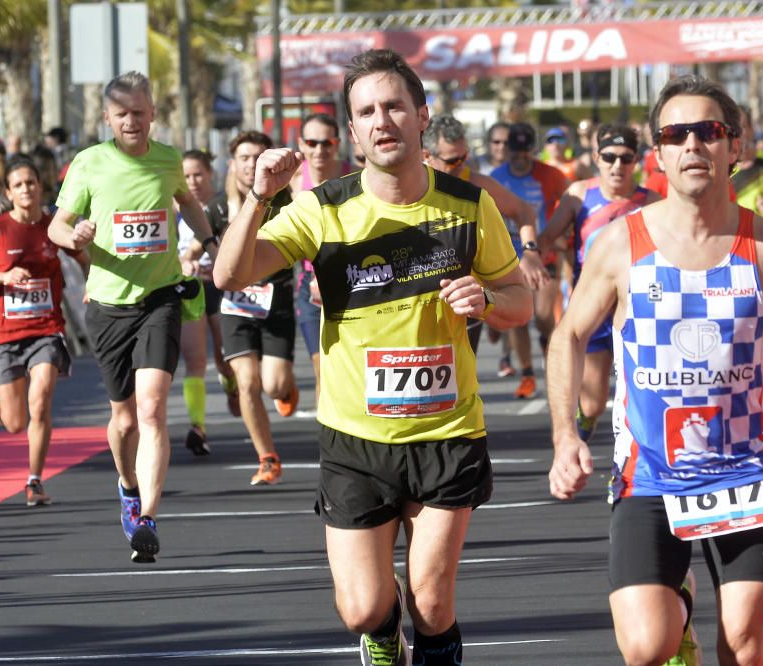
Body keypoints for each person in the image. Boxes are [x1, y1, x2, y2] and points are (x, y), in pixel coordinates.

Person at [213, 48, 532, 666]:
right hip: (357, 436)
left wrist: (488, 298)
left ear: (420, 116)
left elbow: (520, 301)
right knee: (362, 608)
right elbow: (230, 274)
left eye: (394, 106)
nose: (382, 120)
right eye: (367, 111)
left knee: (434, 601)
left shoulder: (470, 207)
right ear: (353, 131)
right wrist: (259, 197)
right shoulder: (322, 207)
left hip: (447, 429)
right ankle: (382, 634)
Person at [547, 75, 763, 666]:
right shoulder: (618, 244)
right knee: (646, 648)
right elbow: (570, 334)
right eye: (675, 133)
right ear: (658, 153)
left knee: (744, 644)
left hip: (741, 472)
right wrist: (564, 435)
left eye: (709, 131)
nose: (693, 145)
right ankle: (676, 606)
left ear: (734, 147)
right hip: (650, 476)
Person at [48, 71, 218, 563]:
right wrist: (73, 235)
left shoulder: (167, 160)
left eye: (139, 113)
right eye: (122, 113)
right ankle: (127, 485)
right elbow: (57, 224)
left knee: (152, 410)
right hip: (107, 306)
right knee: (123, 420)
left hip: (161, 299)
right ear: (107, 118)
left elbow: (189, 203)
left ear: (153, 115)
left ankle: (147, 516)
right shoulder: (89, 163)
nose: (131, 121)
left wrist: (209, 242)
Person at [538, 123, 656, 443]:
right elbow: (547, 237)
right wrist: (530, 257)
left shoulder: (653, 202)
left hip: (639, 309)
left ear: (636, 161)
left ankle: (630, 461)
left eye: (626, 158)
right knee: (591, 403)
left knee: (644, 396)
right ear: (596, 158)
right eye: (610, 157)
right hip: (592, 307)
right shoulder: (579, 195)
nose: (617, 165)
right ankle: (576, 442)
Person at [0, 158, 81, 506]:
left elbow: (84, 257)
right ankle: (5, 407)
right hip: (5, 333)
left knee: (42, 400)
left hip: (46, 329)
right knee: (14, 422)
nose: (26, 189)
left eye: (31, 182)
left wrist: (94, 283)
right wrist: (2, 277)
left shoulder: (53, 227)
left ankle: (34, 480)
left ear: (41, 186)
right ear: (7, 192)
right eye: (18, 184)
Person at [422, 114, 548, 353]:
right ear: (426, 156)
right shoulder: (410, 188)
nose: (460, 165)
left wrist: (530, 251)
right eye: (452, 160)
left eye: (464, 157)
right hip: (420, 300)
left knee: (458, 375)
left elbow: (523, 211)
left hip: (467, 299)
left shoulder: (476, 184)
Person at [216, 130, 298, 485]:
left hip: (276, 299)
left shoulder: (284, 199)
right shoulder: (217, 208)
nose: (251, 164)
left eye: (258, 157)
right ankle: (267, 457)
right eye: (244, 158)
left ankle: (286, 388)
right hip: (235, 305)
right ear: (233, 164)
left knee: (273, 386)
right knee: (246, 382)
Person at [491, 123, 569, 399]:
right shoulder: (496, 178)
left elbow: (572, 205)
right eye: (515, 152)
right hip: (507, 259)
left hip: (542, 256)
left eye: (526, 152)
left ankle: (552, 363)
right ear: (508, 151)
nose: (521, 158)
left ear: (533, 151)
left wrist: (561, 239)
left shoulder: (550, 175)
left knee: (547, 319)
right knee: (518, 319)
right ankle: (527, 375)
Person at [176, 149, 237, 455]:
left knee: (224, 358)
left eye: (198, 174)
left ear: (210, 174)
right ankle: (197, 427)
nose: (192, 182)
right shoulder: (172, 209)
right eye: (185, 177)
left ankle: (231, 384)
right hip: (190, 290)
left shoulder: (222, 207)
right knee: (195, 360)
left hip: (220, 288)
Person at [288, 113, 350, 410]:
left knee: (353, 368)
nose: (319, 150)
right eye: (312, 142)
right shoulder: (293, 183)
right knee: (322, 366)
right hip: (310, 287)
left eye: (327, 142)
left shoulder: (356, 176)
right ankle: (330, 445)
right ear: (301, 144)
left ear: (338, 143)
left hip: (355, 282)